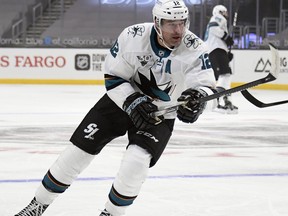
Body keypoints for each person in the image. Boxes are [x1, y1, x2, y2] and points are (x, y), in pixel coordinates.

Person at [14, 1, 217, 215]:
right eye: (171, 24)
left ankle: (111, 214)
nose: (178, 30)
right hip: (120, 102)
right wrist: (131, 101)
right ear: (157, 23)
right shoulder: (133, 36)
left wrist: (197, 99)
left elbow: (204, 85)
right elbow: (114, 77)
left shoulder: (195, 47)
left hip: (160, 112)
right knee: (78, 151)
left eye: (182, 23)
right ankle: (38, 205)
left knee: (137, 161)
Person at [204, 5, 238, 114]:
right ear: (219, 11)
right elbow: (214, 28)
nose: (226, 14)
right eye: (225, 12)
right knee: (222, 75)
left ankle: (223, 100)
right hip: (216, 50)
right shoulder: (218, 17)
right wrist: (226, 37)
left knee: (223, 75)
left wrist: (226, 52)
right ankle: (217, 100)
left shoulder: (219, 19)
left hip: (217, 50)